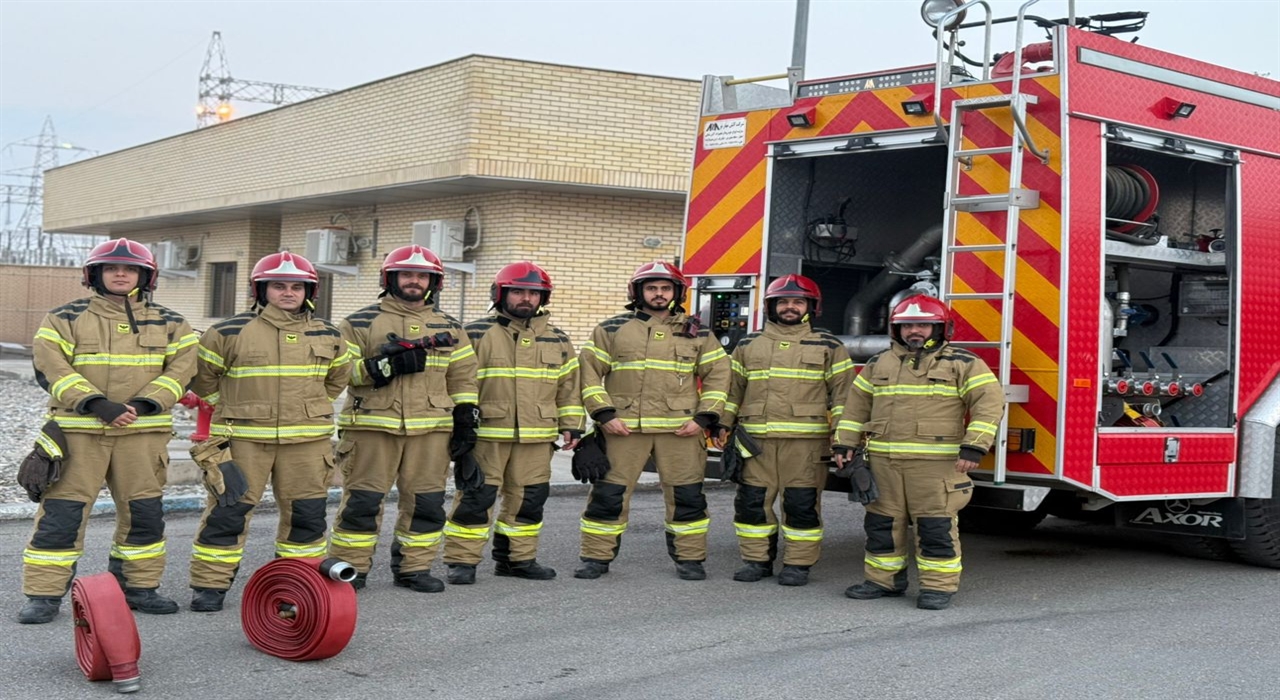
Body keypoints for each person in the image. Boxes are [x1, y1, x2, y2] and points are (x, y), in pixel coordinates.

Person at [19, 238, 198, 623]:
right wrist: (96, 404)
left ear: (145, 276)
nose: (120, 273)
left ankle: (139, 588)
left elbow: (182, 370)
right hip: (79, 435)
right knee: (62, 516)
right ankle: (44, 595)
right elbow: (50, 367)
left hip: (142, 436)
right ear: (94, 274)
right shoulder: (63, 318)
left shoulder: (172, 323)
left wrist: (146, 403)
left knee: (143, 514)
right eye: (111, 268)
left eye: (130, 269)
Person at [186, 252, 350, 612]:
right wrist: (233, 404)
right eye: (278, 285)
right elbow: (202, 379)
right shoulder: (227, 332)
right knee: (227, 513)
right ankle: (210, 587)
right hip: (243, 441)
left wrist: (308, 407)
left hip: (307, 444)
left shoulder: (329, 334)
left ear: (309, 290)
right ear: (261, 289)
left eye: (296, 286)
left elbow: (337, 378)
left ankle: (297, 587)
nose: (288, 292)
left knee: (306, 518)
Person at [834, 294, 1005, 610]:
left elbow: (989, 404)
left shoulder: (964, 364)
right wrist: (845, 444)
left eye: (924, 325)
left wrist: (974, 445)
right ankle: (882, 582)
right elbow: (855, 408)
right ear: (896, 330)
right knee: (882, 525)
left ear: (941, 328)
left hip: (936, 465)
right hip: (884, 463)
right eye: (908, 325)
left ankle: (938, 587)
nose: (915, 331)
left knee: (935, 527)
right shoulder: (878, 364)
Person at [329, 244, 478, 592]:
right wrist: (382, 367)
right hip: (370, 429)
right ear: (390, 278)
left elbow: (464, 379)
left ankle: (414, 568)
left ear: (433, 282)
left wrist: (467, 419)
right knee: (362, 504)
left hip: (431, 433)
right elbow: (338, 373)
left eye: (422, 275)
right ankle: (352, 571)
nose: (414, 281)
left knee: (426, 504)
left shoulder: (451, 328)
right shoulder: (358, 323)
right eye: (406, 274)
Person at [575, 261, 730, 581]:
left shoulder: (697, 331)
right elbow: (588, 374)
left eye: (665, 288)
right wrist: (604, 415)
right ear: (638, 292)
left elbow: (718, 375)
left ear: (677, 292)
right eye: (651, 288)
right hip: (624, 428)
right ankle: (595, 557)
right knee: (608, 495)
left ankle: (690, 559)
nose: (659, 294)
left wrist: (703, 418)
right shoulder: (611, 329)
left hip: (681, 430)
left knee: (688, 497)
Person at [440, 261, 583, 584]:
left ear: (542, 299)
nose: (525, 299)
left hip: (537, 437)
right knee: (477, 499)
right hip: (487, 435)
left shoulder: (558, 340)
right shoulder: (474, 333)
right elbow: (455, 380)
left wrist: (572, 424)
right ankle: (462, 561)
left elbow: (569, 387)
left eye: (533, 293)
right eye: (517, 291)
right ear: (500, 294)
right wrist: (459, 426)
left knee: (528, 501)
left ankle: (517, 559)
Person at [716, 275, 853, 587]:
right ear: (771, 306)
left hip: (806, 445)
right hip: (755, 442)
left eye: (798, 301)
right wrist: (723, 423)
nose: (790, 307)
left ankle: (798, 564)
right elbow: (732, 391)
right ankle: (756, 561)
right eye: (783, 301)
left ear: (810, 307)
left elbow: (845, 398)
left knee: (801, 505)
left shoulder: (829, 346)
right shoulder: (749, 344)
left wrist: (845, 439)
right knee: (751, 502)